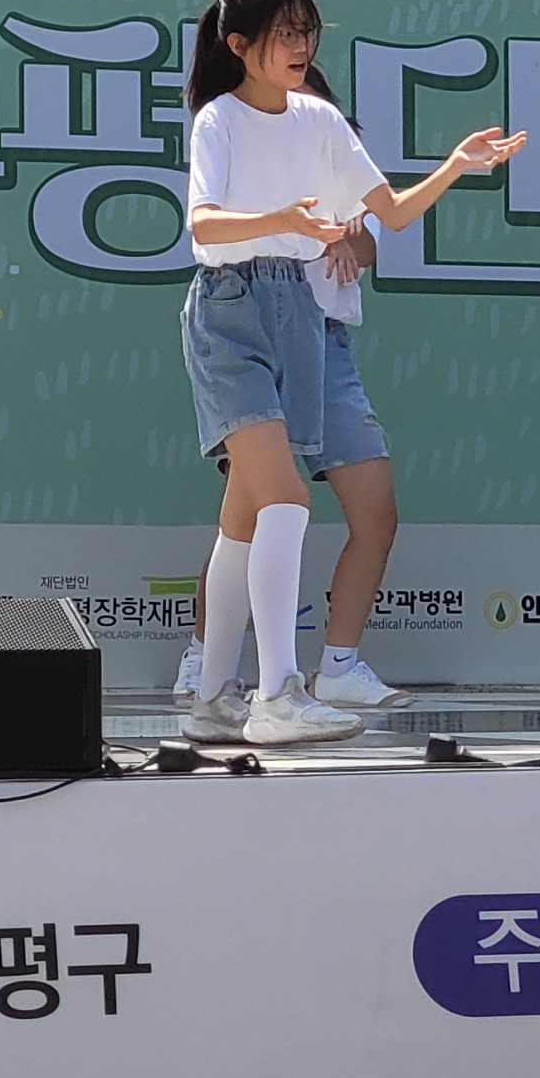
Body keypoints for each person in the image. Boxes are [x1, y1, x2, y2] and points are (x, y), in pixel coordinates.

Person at [179, 0, 522, 747]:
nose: (300, 46)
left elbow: (390, 214)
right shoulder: (219, 120)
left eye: (306, 32)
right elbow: (204, 226)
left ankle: (210, 696)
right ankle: (275, 694)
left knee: (244, 521)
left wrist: (456, 165)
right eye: (283, 34)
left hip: (299, 313)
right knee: (285, 502)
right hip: (230, 310)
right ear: (240, 45)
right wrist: (280, 219)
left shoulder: (321, 121)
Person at [168, 70, 412, 716]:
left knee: (374, 509)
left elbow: (369, 240)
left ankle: (338, 666)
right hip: (257, 334)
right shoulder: (236, 141)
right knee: (257, 506)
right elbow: (212, 227)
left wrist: (345, 235)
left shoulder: (336, 155)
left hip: (327, 345)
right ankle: (212, 664)